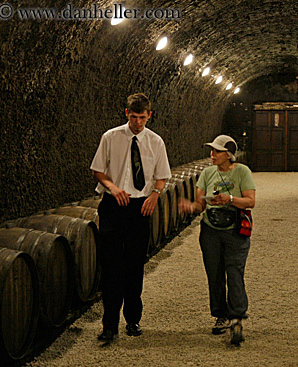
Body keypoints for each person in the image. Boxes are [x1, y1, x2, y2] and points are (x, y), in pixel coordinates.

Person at [90, 93, 171, 342]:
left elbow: (162, 175)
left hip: (140, 209)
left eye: (142, 118)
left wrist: (155, 195)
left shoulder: (155, 142)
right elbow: (98, 170)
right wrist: (112, 188)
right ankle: (109, 325)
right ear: (126, 114)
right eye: (134, 117)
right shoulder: (111, 137)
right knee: (112, 268)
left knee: (135, 267)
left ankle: (133, 320)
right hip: (114, 207)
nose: (138, 122)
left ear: (149, 115)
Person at [178, 134, 255, 346]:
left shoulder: (242, 172)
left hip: (235, 230)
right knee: (214, 273)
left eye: (217, 151)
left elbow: (250, 201)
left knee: (234, 271)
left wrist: (229, 199)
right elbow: (200, 204)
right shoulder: (206, 173)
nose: (212, 154)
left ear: (228, 154)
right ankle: (221, 315)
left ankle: (237, 317)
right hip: (210, 229)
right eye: (211, 150)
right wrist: (191, 207)